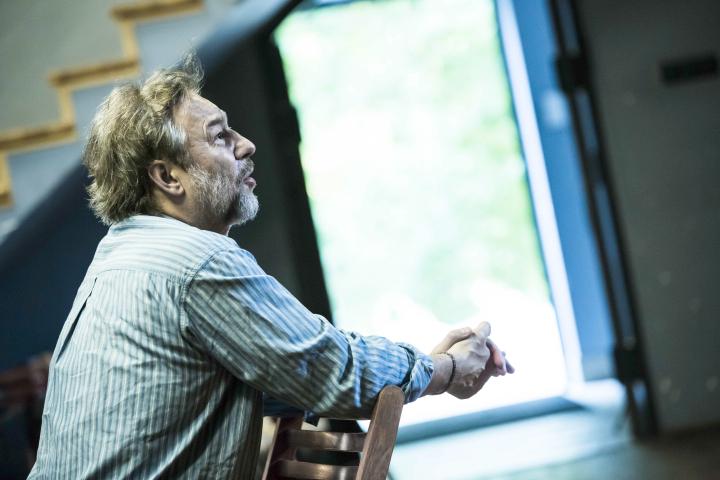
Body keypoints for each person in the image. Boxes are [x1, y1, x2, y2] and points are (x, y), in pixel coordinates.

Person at [27, 56, 513, 479]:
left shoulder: (118, 256)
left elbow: (293, 371)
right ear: (168, 177)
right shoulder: (197, 263)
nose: (246, 145)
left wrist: (425, 368)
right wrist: (445, 370)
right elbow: (333, 369)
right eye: (220, 137)